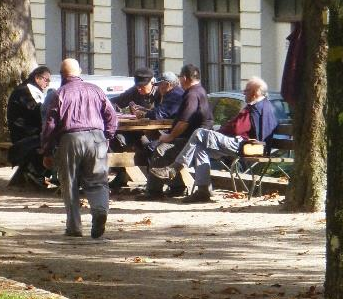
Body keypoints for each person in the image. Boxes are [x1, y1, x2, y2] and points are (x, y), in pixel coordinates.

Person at [150, 76, 279, 202]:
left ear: (256, 92)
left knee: (200, 133)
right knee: (200, 148)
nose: (244, 92)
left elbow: (237, 128)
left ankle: (174, 168)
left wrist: (222, 129)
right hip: (242, 143)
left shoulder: (256, 107)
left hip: (245, 145)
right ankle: (203, 191)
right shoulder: (261, 105)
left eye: (247, 90)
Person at [41, 58, 118, 239]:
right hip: (97, 138)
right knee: (98, 181)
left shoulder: (59, 94)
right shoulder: (96, 90)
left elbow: (50, 125)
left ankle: (74, 227)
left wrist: (47, 149)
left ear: (61, 75)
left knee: (70, 183)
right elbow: (111, 116)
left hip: (71, 139)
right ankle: (99, 210)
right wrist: (108, 136)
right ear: (80, 72)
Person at [145, 63, 214, 198]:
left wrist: (170, 137)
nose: (179, 80)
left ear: (186, 78)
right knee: (160, 148)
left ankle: (154, 192)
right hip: (197, 137)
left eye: (180, 77)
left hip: (192, 140)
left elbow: (183, 122)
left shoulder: (192, 94)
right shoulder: (199, 90)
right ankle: (176, 187)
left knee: (161, 150)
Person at [109, 66, 158, 190]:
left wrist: (145, 112)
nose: (140, 89)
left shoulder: (160, 93)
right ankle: (122, 173)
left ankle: (152, 181)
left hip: (158, 131)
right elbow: (115, 101)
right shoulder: (134, 92)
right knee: (115, 136)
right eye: (138, 86)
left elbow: (163, 113)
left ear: (152, 81)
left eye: (143, 86)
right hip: (137, 131)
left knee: (148, 145)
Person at [7, 66, 53, 186]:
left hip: (30, 131)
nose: (47, 84)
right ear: (37, 78)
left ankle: (38, 173)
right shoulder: (25, 91)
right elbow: (37, 113)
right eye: (46, 80)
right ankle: (36, 173)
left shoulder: (30, 90)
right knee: (52, 142)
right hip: (24, 134)